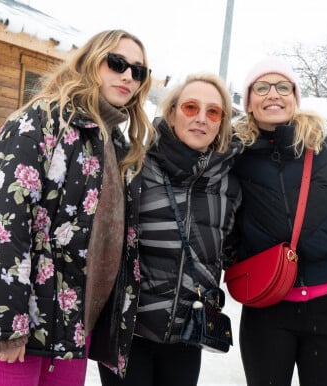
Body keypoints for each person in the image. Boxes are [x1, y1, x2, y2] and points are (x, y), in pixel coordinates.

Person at [0, 29, 154, 386]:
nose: (127, 76)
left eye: (138, 71)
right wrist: (4, 322)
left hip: (69, 331)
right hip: (14, 325)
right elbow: (1, 224)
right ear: (91, 61)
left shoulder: (117, 144)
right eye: (117, 63)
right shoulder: (40, 122)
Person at [231, 57, 327, 386]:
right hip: (266, 308)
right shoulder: (235, 157)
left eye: (282, 87)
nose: (273, 94)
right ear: (248, 102)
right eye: (261, 87)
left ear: (295, 96)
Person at [96, 73, 242, 385]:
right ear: (172, 112)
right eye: (191, 107)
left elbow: (231, 248)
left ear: (222, 122)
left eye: (213, 112)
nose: (201, 119)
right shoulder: (135, 165)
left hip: (188, 334)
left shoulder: (229, 181)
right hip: (128, 331)